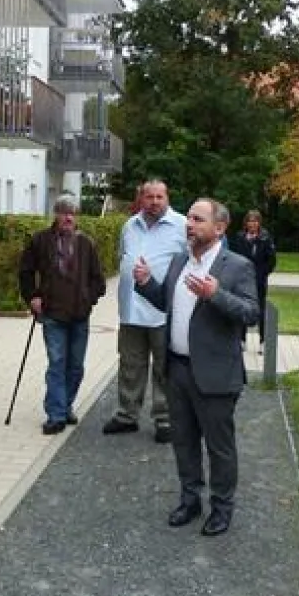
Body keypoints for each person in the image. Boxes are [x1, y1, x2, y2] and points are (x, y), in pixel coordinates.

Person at [132, 199, 259, 537]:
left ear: (219, 228)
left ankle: (222, 508)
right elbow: (166, 302)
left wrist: (216, 295)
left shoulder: (237, 266)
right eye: (188, 218)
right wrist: (146, 283)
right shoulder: (179, 262)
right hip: (178, 370)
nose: (189, 224)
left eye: (198, 219)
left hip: (216, 375)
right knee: (184, 442)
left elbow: (251, 313)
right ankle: (190, 499)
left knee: (220, 447)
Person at [105, 180, 187, 443]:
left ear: (167, 198)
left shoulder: (182, 226)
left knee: (164, 367)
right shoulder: (130, 225)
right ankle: (127, 415)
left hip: (164, 309)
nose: (154, 201)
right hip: (131, 310)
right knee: (130, 364)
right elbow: (122, 257)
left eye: (159, 197)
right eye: (149, 196)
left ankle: (164, 419)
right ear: (140, 199)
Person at [18, 195, 106, 435]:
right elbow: (25, 272)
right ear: (55, 214)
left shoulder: (86, 243)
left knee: (76, 366)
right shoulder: (40, 240)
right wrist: (32, 297)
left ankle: (66, 405)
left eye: (73, 212)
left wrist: (90, 299)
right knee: (57, 363)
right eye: (64, 212)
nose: (68, 217)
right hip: (52, 312)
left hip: (79, 313)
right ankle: (55, 414)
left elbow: (98, 278)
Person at [228, 209, 277, 348]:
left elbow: (271, 261)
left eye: (255, 221)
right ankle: (242, 340)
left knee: (260, 310)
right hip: (242, 280)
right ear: (246, 223)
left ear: (259, 223)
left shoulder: (265, 238)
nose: (252, 224)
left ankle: (262, 341)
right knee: (242, 308)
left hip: (259, 280)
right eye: (250, 221)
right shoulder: (239, 237)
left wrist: (262, 274)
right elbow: (234, 257)